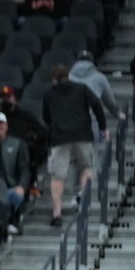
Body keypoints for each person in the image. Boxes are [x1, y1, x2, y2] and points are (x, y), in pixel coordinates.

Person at [43, 65, 107, 226]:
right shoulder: (82, 88)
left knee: (58, 176)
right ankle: (83, 198)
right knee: (86, 167)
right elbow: (97, 104)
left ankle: (56, 214)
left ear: (54, 79)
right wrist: (102, 126)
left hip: (59, 137)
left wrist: (54, 126)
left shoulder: (50, 93)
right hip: (82, 134)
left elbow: (46, 116)